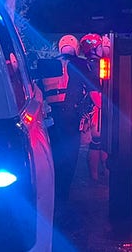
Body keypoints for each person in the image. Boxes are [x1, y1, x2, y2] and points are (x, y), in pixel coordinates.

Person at [44, 34, 98, 201]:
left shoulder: (47, 64)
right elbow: (94, 91)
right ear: (75, 48)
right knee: (70, 156)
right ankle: (63, 195)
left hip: (48, 116)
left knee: (53, 154)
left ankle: (50, 192)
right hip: (70, 116)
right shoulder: (81, 64)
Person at [78, 33, 108, 181]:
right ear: (94, 49)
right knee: (98, 144)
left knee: (99, 144)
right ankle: (96, 177)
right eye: (101, 46)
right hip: (97, 111)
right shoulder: (94, 66)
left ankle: (97, 176)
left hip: (95, 110)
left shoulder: (89, 65)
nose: (103, 49)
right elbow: (95, 93)